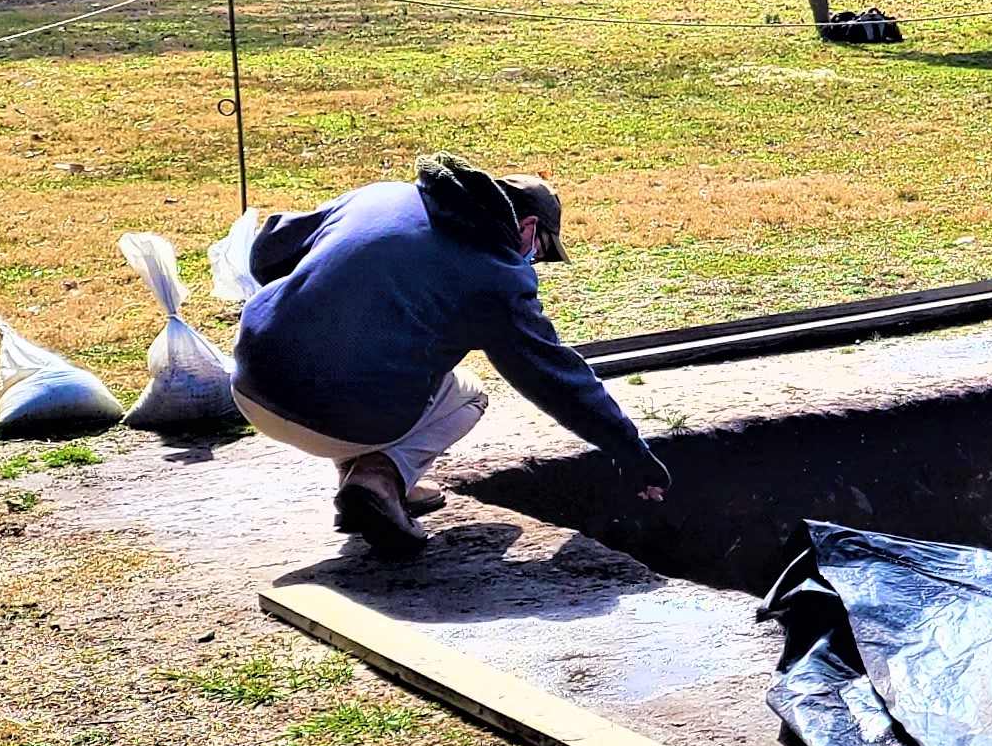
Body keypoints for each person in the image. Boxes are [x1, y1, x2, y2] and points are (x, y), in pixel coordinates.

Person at [231, 156, 672, 562]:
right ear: (527, 226)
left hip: (250, 382)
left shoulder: (382, 196)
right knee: (468, 395)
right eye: (538, 251)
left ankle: (374, 481)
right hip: (332, 418)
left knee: (372, 360)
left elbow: (266, 250)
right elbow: (554, 379)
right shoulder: (496, 273)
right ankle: (378, 476)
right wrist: (630, 453)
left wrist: (322, 298)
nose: (533, 263)